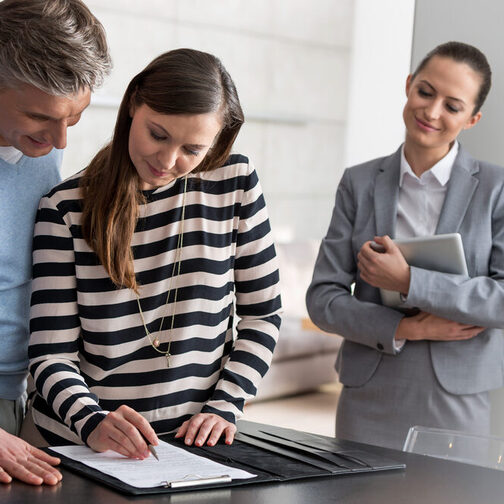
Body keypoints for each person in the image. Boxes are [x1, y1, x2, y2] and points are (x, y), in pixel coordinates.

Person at [25, 48, 281, 459]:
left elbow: (263, 314)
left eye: (192, 149)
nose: (166, 161)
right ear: (132, 107)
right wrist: (93, 423)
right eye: (157, 135)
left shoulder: (235, 183)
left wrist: (226, 404)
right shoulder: (66, 207)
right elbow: (51, 355)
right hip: (83, 447)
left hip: (197, 445)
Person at [306, 41, 504, 450]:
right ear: (409, 85)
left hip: (457, 399)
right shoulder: (359, 182)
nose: (432, 112)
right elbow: (322, 299)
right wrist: (407, 327)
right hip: (370, 392)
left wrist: (410, 279)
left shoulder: (496, 189)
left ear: (472, 118)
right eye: (426, 92)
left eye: (453, 106)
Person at [0, 0, 111, 484]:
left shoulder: (38, 148)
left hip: (20, 394)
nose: (62, 141)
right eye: (41, 117)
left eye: (76, 117)